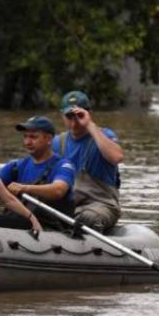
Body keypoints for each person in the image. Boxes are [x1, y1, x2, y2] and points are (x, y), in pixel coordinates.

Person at [0, 115, 76, 230]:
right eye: (25, 136)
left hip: (50, 227)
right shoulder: (15, 166)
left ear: (49, 139)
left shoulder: (64, 165)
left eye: (33, 137)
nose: (27, 142)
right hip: (21, 223)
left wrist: (24, 188)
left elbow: (58, 190)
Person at [54, 91, 123, 233]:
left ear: (88, 113)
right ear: (62, 116)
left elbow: (116, 157)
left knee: (87, 219)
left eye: (79, 116)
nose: (74, 122)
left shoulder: (104, 135)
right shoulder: (57, 142)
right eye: (69, 117)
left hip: (100, 206)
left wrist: (89, 125)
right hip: (67, 207)